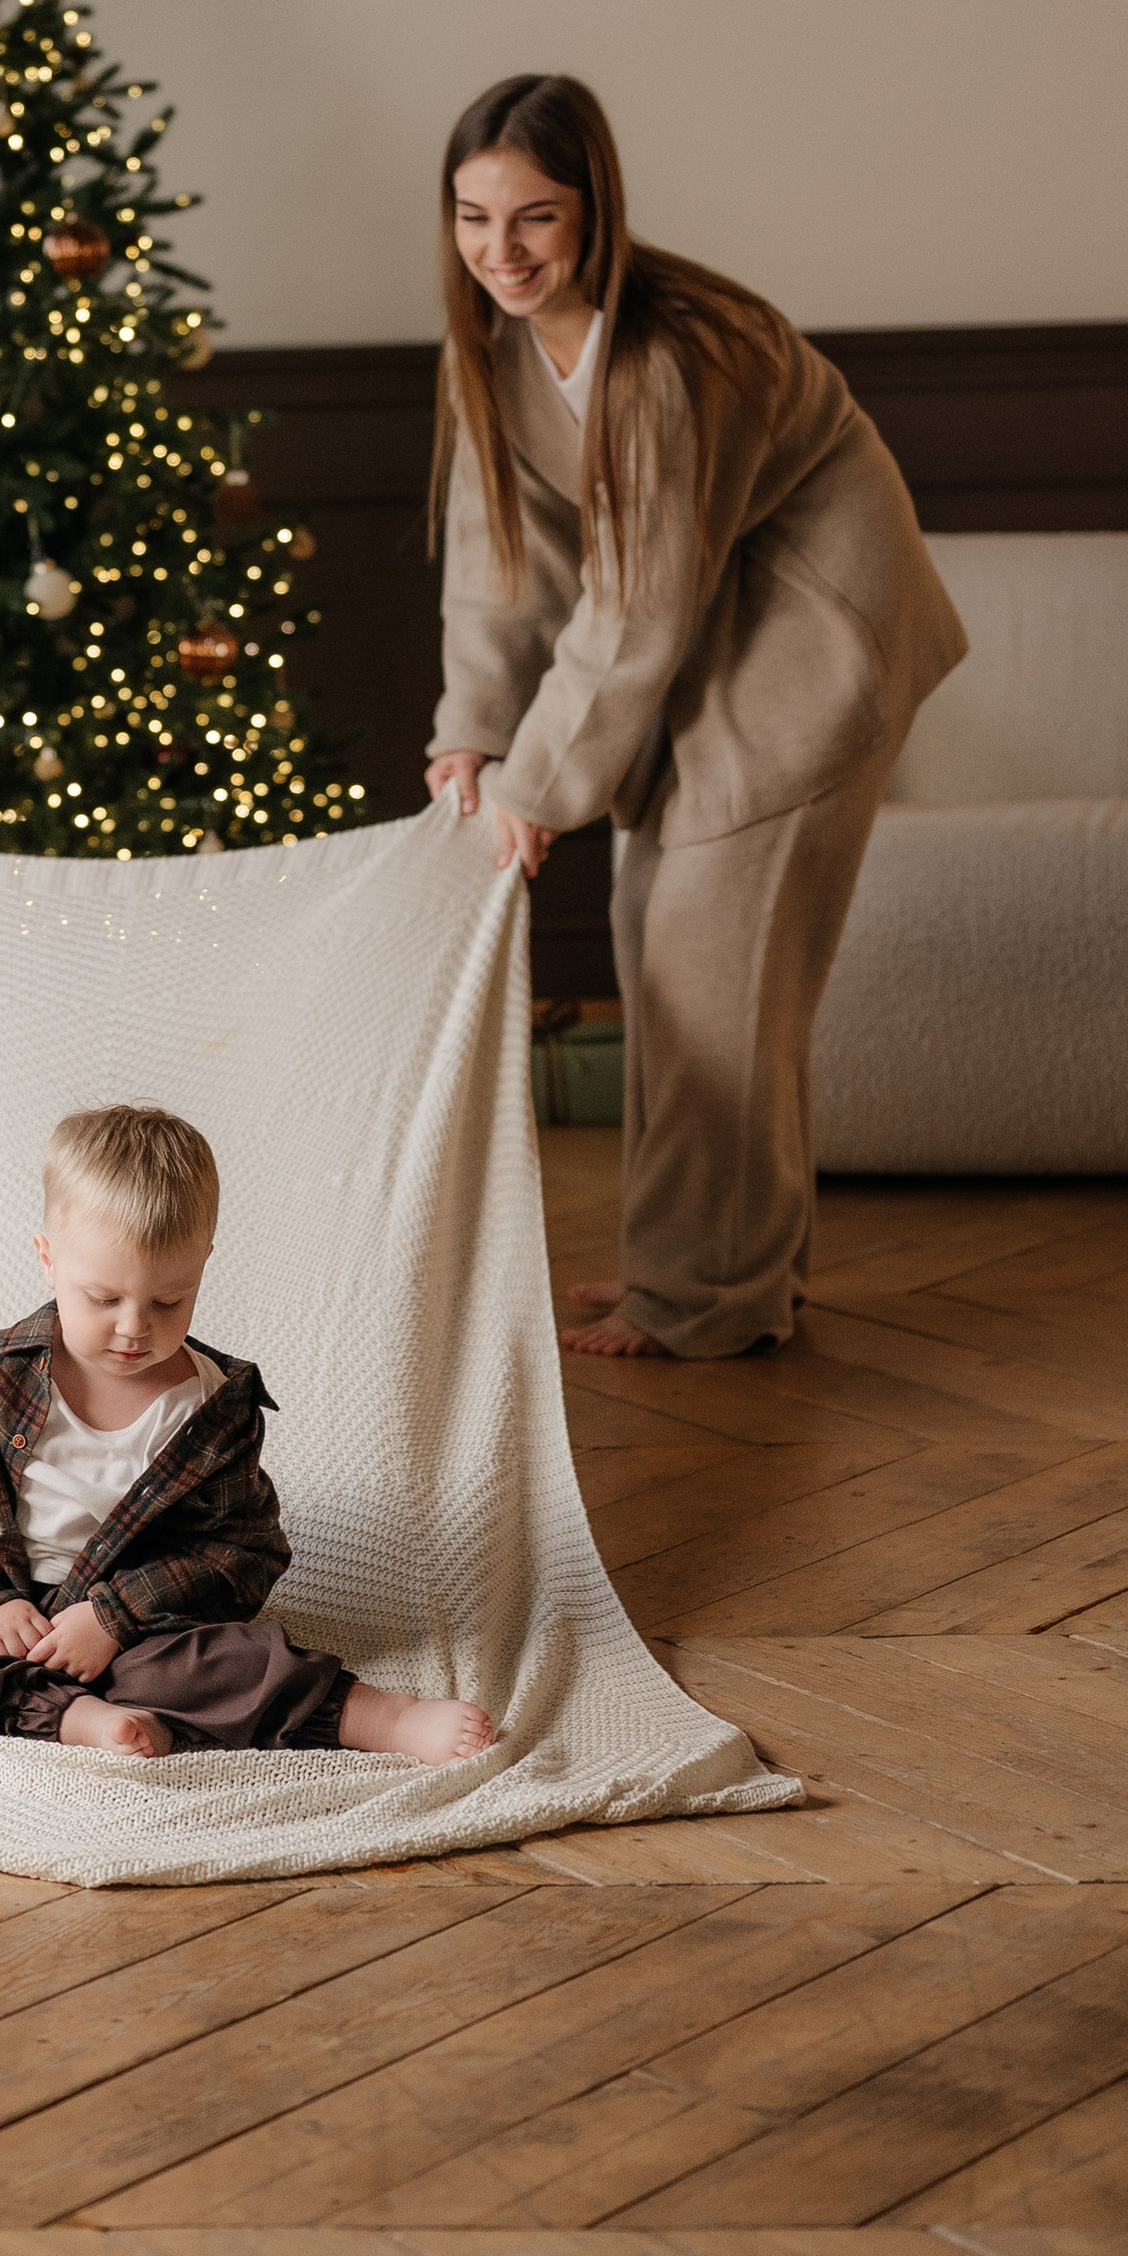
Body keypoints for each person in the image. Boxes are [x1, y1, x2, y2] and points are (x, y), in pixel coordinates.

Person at [426, 73, 965, 1364]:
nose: (502, 251)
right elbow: (498, 560)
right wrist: (474, 730)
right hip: (701, 635)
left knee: (714, 969)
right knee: (653, 943)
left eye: (535, 217)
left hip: (804, 637)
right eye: (473, 217)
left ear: (595, 209)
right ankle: (701, 1261)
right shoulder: (492, 348)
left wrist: (535, 792)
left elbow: (636, 608)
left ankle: (709, 1296)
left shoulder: (675, 349)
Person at [0, 1104, 496, 1762]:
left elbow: (238, 1552)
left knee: (227, 1662)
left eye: (168, 1301)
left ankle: (379, 1718)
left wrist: (112, 1618)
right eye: (103, 1299)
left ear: (202, 1264)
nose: (133, 1327)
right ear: (49, 1260)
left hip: (143, 1631)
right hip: (5, 1615)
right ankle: (77, 1716)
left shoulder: (211, 1410)